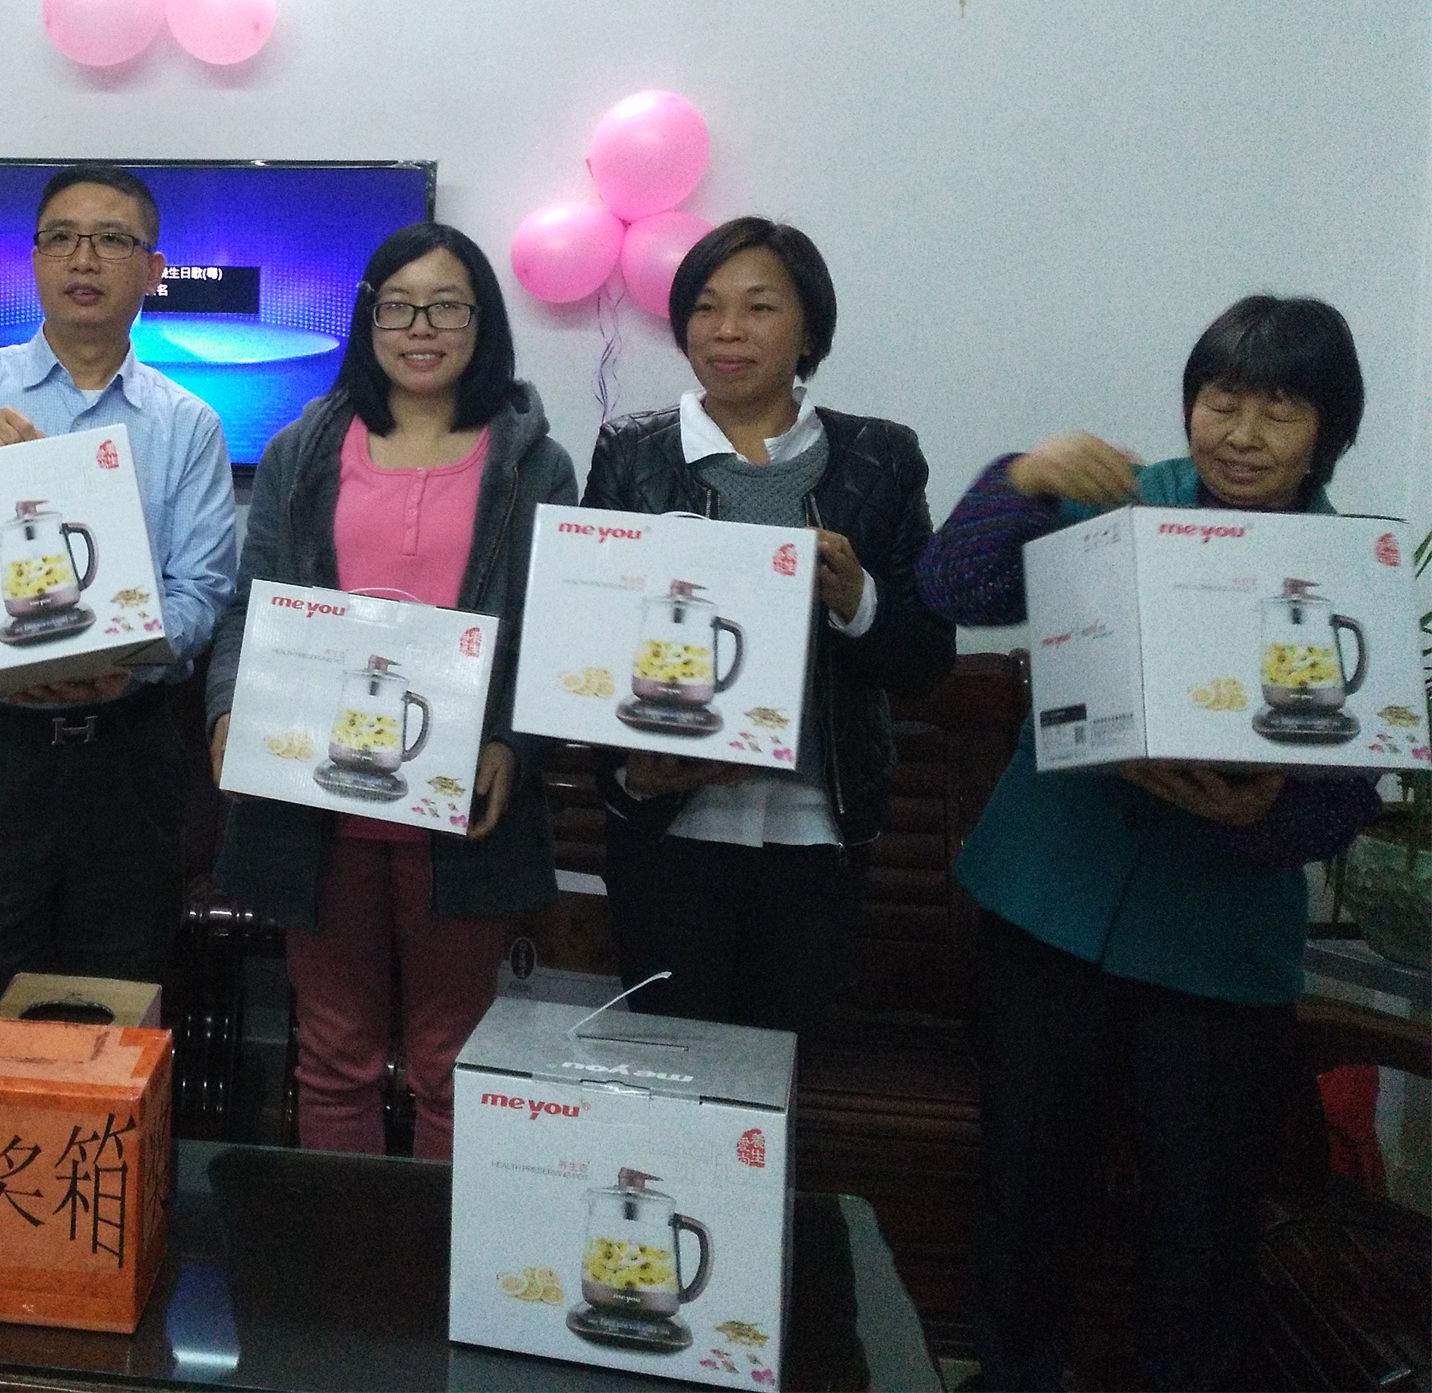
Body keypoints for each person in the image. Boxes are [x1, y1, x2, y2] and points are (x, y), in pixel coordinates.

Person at [917, 294, 1385, 1393]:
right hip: (1048, 910)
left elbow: (1348, 791)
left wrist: (1262, 816)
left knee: (1202, 1222)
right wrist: (1022, 477)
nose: (1242, 435)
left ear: (1328, 432)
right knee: (1027, 1189)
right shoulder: (1113, 504)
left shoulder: (1345, 568)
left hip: (1218, 949)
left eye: (1280, 411)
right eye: (1222, 402)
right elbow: (954, 588)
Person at [205, 223, 573, 1159]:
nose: (421, 328)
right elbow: (252, 601)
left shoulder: (535, 463)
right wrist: (228, 707)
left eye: (447, 307)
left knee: (452, 1061)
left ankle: (434, 1254)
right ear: (367, 320)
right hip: (317, 801)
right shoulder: (302, 449)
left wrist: (513, 743)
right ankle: (345, 1251)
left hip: (463, 811)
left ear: (483, 322)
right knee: (334, 1055)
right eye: (397, 307)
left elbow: (553, 631)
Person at [0, 164, 236, 1013]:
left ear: (154, 269)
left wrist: (125, 658)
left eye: (111, 240)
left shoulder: (187, 423)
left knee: (115, 1004)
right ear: (34, 261)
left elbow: (202, 592)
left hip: (127, 753)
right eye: (61, 237)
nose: (83, 258)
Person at [583, 217, 955, 1034]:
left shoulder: (881, 459)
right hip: (669, 831)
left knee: (780, 1070)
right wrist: (634, 775)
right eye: (706, 307)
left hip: (816, 835)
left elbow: (927, 660)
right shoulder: (631, 454)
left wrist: (857, 599)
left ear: (810, 330)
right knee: (671, 1065)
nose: (728, 330)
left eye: (759, 307)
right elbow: (586, 646)